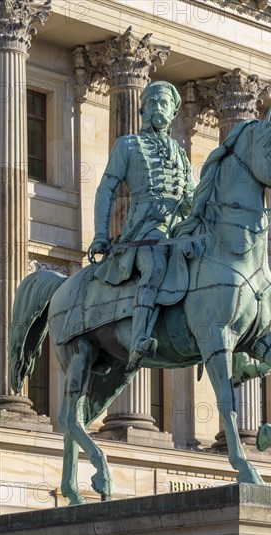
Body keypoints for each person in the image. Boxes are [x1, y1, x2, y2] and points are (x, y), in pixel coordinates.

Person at [89, 81, 195, 370]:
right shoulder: (128, 145)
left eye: (163, 103)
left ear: (173, 112)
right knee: (156, 266)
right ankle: (139, 339)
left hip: (179, 228)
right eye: (152, 103)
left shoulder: (181, 154)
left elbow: (192, 197)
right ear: (142, 109)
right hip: (145, 228)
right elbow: (107, 189)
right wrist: (101, 233)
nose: (157, 108)